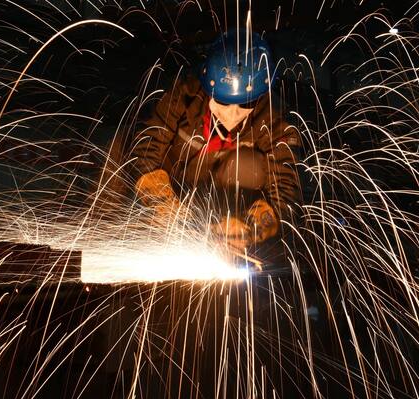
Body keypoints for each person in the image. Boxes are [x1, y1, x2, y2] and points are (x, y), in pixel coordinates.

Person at [125, 31, 302, 256]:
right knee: (119, 145)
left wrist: (253, 228)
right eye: (222, 102)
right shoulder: (182, 94)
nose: (232, 114)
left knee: (249, 167)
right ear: (208, 89)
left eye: (244, 104)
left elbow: (287, 188)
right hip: (180, 189)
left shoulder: (274, 116)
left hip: (231, 204)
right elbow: (145, 151)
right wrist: (171, 213)